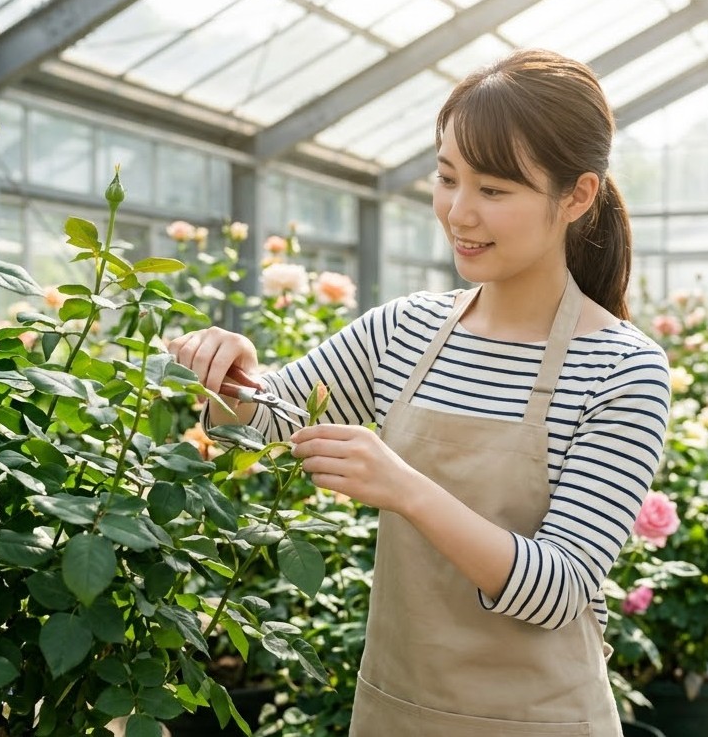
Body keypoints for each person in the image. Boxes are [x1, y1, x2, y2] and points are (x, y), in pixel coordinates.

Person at [166, 49, 671, 736]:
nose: (459, 212)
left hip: (539, 720)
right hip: (397, 708)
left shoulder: (622, 369)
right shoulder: (406, 330)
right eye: (446, 177)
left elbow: (558, 588)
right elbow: (265, 423)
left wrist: (406, 488)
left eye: (494, 190)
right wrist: (233, 373)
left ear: (577, 196)